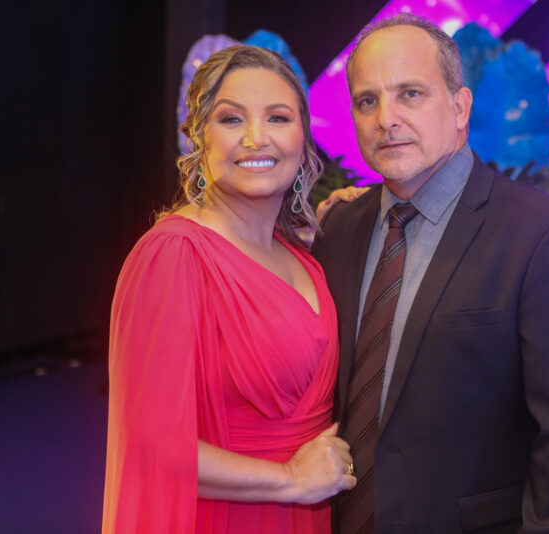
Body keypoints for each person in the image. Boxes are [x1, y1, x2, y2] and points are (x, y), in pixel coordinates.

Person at [312, 14, 549, 534]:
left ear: (460, 107)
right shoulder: (338, 228)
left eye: (410, 94)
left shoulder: (548, 236)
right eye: (367, 100)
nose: (386, 118)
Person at [101, 45, 356, 534]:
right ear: (200, 137)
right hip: (228, 517)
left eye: (278, 118)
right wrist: (291, 479)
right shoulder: (174, 254)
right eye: (232, 119)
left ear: (303, 139)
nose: (256, 138)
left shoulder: (303, 256)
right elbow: (152, 445)